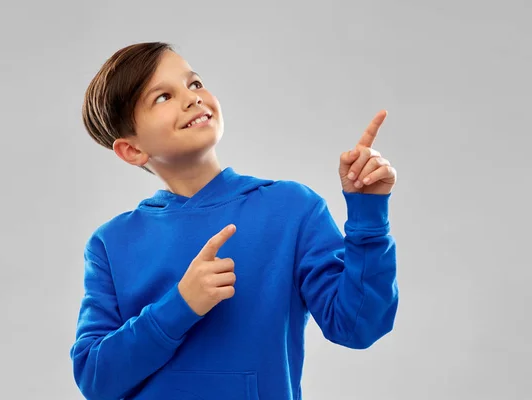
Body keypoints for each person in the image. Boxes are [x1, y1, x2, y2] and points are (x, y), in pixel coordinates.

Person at [69, 41, 399, 400]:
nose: (192, 97)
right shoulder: (111, 243)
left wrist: (368, 214)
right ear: (132, 150)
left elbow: (358, 326)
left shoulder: (291, 209)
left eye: (194, 83)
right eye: (162, 97)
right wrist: (180, 305)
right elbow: (96, 379)